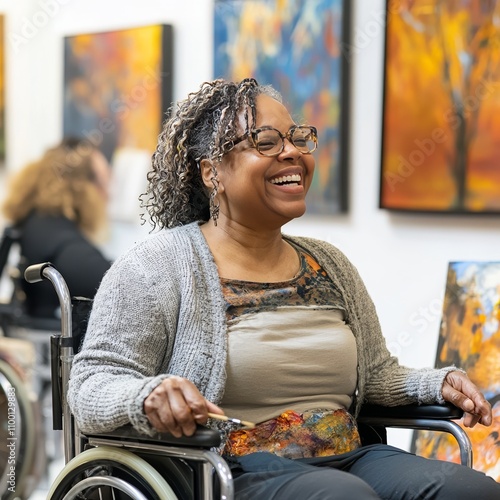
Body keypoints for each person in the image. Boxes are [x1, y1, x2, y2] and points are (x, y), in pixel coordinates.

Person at [68, 78, 500, 499]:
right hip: (225, 469)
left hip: (348, 456)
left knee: (471, 489)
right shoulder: (157, 266)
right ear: (211, 172)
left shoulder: (327, 263)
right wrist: (148, 396)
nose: (292, 152)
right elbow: (90, 386)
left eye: (297, 138)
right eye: (266, 142)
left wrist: (435, 385)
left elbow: (377, 375)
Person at [1, 137, 112, 319]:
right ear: (83, 187)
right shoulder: (60, 240)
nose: (109, 193)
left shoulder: (37, 223)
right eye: (104, 182)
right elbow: (117, 285)